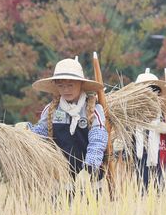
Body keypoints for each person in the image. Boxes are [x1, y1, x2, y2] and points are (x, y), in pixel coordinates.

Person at [29, 58, 108, 195]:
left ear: (81, 84)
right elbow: (39, 134)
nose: (66, 90)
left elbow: (98, 139)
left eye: (70, 85)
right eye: (61, 86)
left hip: (89, 182)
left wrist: (89, 168)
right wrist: (25, 132)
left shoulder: (94, 109)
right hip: (60, 183)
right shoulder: (51, 110)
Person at [131, 69, 166, 191]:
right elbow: (124, 155)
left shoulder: (165, 118)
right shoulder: (131, 121)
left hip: (165, 177)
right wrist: (117, 148)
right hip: (139, 181)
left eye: (154, 93)